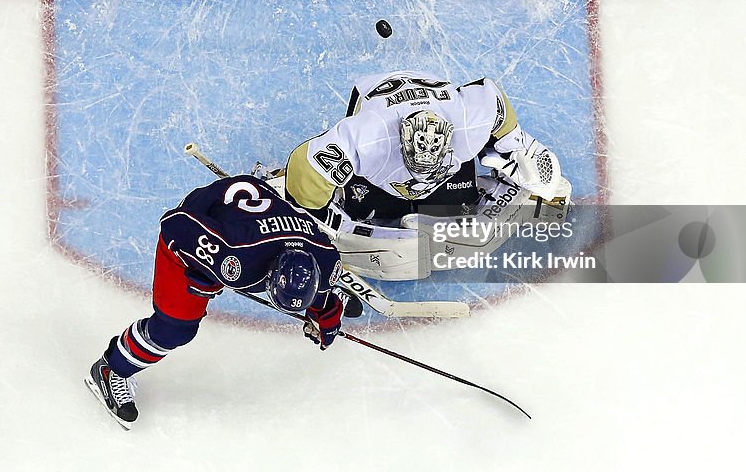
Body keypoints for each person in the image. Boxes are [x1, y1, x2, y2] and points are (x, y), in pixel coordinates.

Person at [85, 174, 344, 429]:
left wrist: (324, 311)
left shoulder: (327, 260)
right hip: (202, 221)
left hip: (254, 200)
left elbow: (323, 294)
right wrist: (202, 273)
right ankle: (111, 369)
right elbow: (175, 223)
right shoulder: (234, 257)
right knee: (176, 328)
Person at [283, 70, 567, 232]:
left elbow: (492, 100)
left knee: (457, 206)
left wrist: (515, 148)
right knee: (363, 207)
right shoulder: (367, 137)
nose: (422, 177)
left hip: (435, 98)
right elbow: (306, 170)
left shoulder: (467, 124)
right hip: (375, 94)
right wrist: (311, 216)